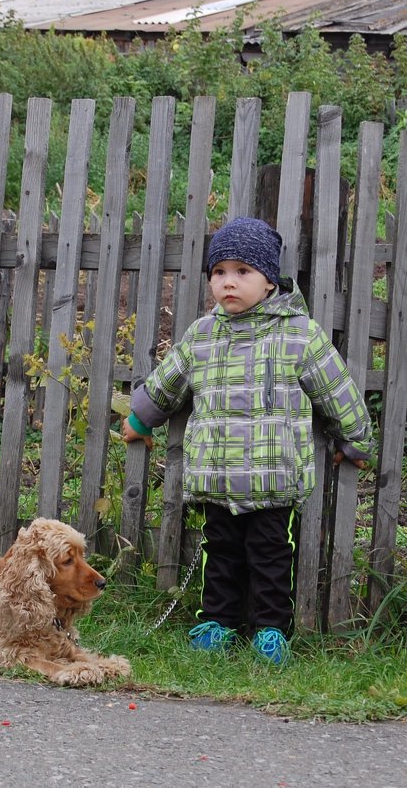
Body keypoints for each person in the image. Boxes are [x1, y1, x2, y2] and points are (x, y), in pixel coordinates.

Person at [122, 216, 373, 665]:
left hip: (274, 482)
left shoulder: (299, 335)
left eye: (243, 272)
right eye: (219, 272)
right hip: (217, 481)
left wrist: (355, 440)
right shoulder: (202, 335)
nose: (228, 283)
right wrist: (141, 419)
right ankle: (217, 623)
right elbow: (169, 382)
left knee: (271, 559)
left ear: (270, 282)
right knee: (219, 556)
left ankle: (271, 631)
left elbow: (337, 390)